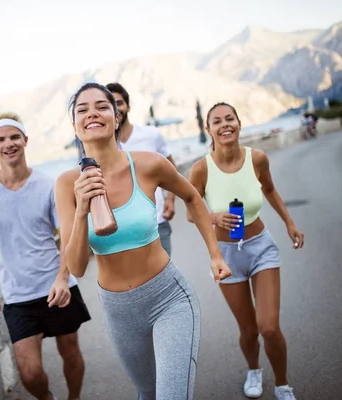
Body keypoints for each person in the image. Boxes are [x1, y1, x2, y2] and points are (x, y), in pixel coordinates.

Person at [54, 82, 232, 400]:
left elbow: (192, 196)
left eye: (102, 106)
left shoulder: (149, 164)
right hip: (118, 310)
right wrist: (82, 211)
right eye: (82, 109)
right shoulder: (67, 184)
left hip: (169, 298)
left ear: (116, 116)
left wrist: (216, 255)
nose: (92, 113)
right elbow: (78, 267)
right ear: (74, 127)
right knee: (147, 393)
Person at [187, 102, 305, 400]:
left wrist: (290, 223)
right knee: (249, 330)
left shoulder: (258, 159)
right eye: (217, 121)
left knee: (268, 327)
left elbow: (269, 189)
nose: (225, 124)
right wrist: (214, 217)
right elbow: (191, 212)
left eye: (230, 119)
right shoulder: (201, 169)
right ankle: (254, 369)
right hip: (226, 254)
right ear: (208, 130)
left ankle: (282, 384)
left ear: (239, 124)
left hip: (261, 247)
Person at [0, 112, 91, 400]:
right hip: (16, 296)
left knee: (70, 353)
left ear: (25, 140)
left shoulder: (49, 185)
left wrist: (63, 277)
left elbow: (67, 234)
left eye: (14, 137)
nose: (8, 144)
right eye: (1, 139)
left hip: (56, 286)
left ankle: (74, 398)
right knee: (30, 373)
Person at [105, 82, 177, 256]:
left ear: (128, 106)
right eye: (110, 105)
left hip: (157, 220)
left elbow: (171, 168)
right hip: (123, 229)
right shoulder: (104, 146)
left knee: (165, 276)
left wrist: (170, 200)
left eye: (119, 103)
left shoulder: (151, 135)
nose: (116, 109)